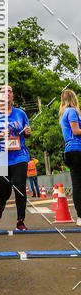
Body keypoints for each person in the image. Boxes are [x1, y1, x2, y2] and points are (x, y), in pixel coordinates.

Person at [0, 84, 31, 231]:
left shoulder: (20, 114)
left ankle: (20, 220)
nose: (7, 94)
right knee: (4, 190)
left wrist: (28, 132)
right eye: (3, 92)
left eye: (9, 91)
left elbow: (26, 132)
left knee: (19, 186)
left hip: (19, 156)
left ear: (12, 95)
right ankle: (2, 203)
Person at [59, 89, 81, 225]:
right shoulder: (72, 111)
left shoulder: (63, 114)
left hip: (69, 150)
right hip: (77, 149)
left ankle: (80, 215)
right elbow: (76, 131)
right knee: (78, 184)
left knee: (77, 183)